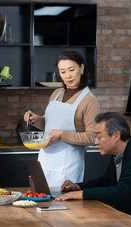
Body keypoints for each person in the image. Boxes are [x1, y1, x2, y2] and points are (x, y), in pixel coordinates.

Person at [55, 112, 131, 221]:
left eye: (99, 137)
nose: (96, 142)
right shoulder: (119, 153)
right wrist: (78, 187)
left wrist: (82, 194)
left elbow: (124, 193)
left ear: (116, 135)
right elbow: (105, 180)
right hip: (128, 216)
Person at [24, 50, 100, 187]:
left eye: (71, 70)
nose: (68, 75)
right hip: (45, 160)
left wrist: (62, 135)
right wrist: (36, 119)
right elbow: (49, 123)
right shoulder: (56, 94)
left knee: (63, 205)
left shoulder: (89, 100)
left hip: (68, 165)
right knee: (41, 202)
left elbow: (94, 138)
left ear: (81, 68)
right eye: (63, 71)